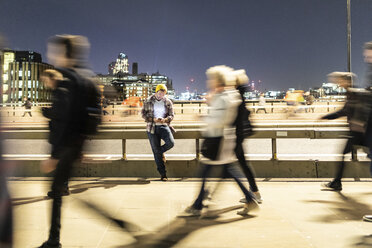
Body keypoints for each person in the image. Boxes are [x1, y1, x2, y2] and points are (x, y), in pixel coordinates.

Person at [38, 34, 98, 248]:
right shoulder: (85, 78)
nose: (51, 55)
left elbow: (63, 118)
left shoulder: (65, 80)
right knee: (60, 190)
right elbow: (93, 117)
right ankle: (54, 238)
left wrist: (54, 155)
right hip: (75, 145)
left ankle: (54, 240)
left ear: (64, 53)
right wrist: (82, 146)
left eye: (54, 51)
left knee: (57, 190)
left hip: (65, 147)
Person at [182, 65, 258, 217]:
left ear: (218, 81)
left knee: (205, 172)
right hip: (219, 140)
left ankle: (198, 205)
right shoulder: (224, 96)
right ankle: (250, 200)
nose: (209, 82)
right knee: (227, 171)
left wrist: (204, 118)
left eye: (211, 79)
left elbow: (220, 119)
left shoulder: (224, 97)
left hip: (218, 140)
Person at [321, 71, 364, 191]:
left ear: (347, 81)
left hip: (358, 132)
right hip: (358, 132)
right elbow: (344, 111)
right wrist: (326, 117)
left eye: (341, 80)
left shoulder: (354, 94)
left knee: (342, 155)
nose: (339, 83)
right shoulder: (352, 93)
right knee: (343, 154)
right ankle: (336, 182)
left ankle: (337, 182)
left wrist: (325, 117)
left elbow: (344, 111)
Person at [232, 69, 262, 203]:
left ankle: (254, 194)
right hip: (239, 133)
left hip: (237, 134)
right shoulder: (241, 92)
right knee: (243, 164)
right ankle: (254, 192)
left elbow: (237, 115)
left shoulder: (237, 94)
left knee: (239, 165)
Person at [40, 69, 70, 197]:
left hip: (59, 133)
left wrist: (46, 112)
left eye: (46, 80)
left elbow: (59, 112)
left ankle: (59, 189)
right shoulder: (65, 91)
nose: (46, 84)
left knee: (58, 161)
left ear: (52, 79)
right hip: (63, 132)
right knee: (60, 162)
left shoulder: (59, 92)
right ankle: (62, 187)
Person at [141, 84, 175, 181]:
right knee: (156, 152)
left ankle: (159, 152)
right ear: (156, 92)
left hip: (164, 126)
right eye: (160, 93)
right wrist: (153, 119)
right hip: (152, 128)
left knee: (170, 143)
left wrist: (165, 119)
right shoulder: (148, 101)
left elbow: (172, 115)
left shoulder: (168, 102)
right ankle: (163, 174)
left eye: (163, 94)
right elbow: (143, 115)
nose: (161, 96)